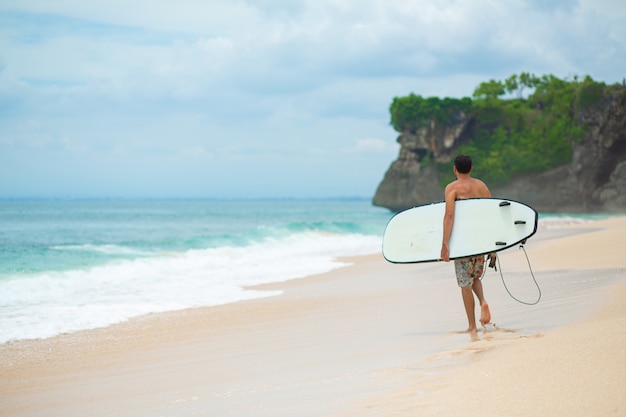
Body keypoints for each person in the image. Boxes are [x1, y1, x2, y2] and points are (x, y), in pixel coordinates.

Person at [440, 154, 492, 333]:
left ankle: (472, 326)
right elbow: (490, 214)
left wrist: (445, 244)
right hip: (480, 242)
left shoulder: (452, 188)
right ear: (471, 168)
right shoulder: (482, 187)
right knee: (475, 276)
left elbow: (449, 215)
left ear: (455, 169)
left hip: (463, 243)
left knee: (465, 283)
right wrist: (492, 246)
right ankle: (483, 301)